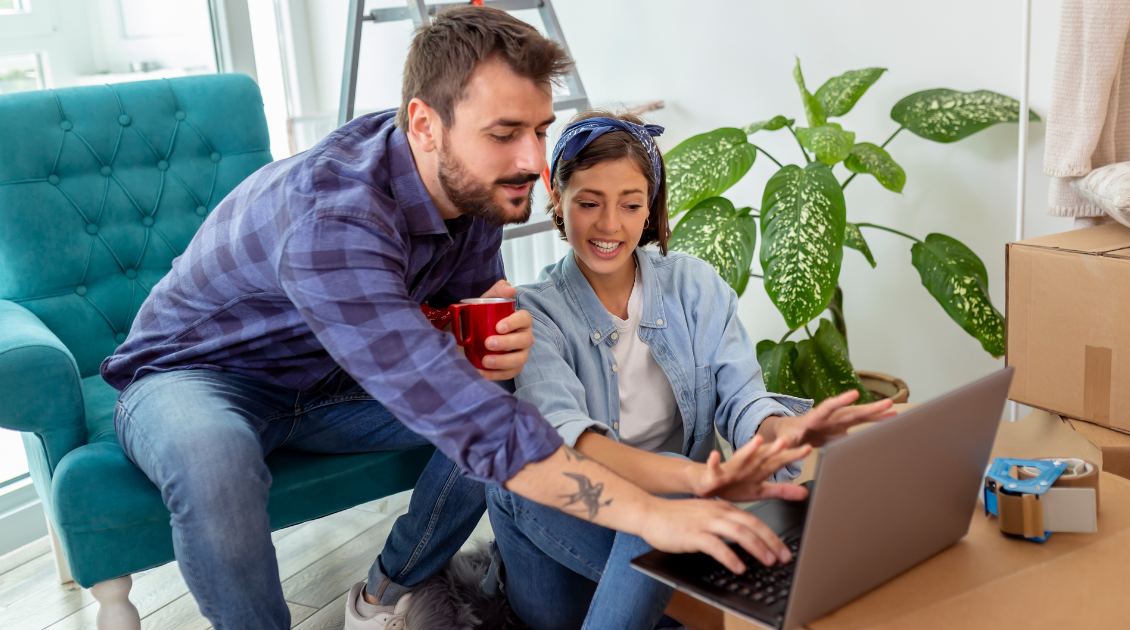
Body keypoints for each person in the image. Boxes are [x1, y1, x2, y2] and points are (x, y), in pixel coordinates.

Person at [100, 8, 805, 630]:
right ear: (424, 125)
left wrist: (491, 343)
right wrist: (652, 509)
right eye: (506, 133)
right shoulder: (335, 218)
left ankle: (384, 593)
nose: (533, 162)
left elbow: (455, 340)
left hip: (332, 380)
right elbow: (467, 419)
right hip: (200, 374)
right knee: (215, 462)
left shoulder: (472, 188)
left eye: (539, 130)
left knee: (500, 389)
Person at [484, 110, 898, 630]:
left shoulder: (695, 286)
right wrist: (698, 480)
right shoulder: (535, 311)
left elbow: (741, 396)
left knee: (683, 518)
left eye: (631, 205)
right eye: (589, 203)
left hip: (670, 521)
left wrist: (781, 430)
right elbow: (574, 445)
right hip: (566, 528)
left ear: (650, 206)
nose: (610, 225)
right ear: (559, 199)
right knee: (661, 508)